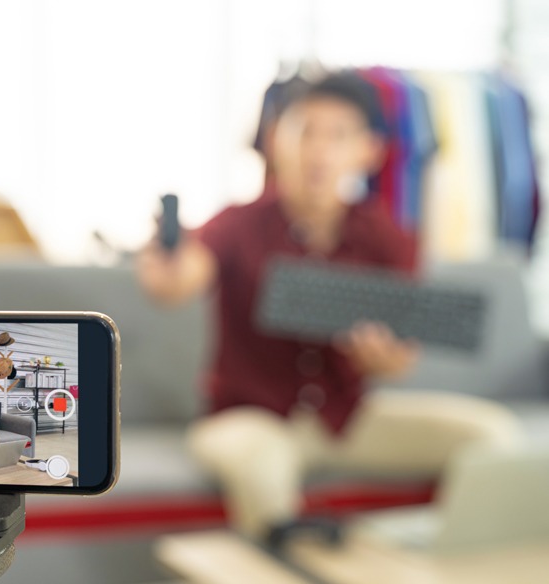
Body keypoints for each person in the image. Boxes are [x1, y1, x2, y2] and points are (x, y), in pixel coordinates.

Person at [137, 72, 524, 542]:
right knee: (261, 466)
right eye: (304, 132)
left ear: (368, 150)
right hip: (250, 419)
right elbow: (183, 278)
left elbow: (399, 358)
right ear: (277, 140)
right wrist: (168, 268)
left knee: (495, 434)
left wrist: (382, 358)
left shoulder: (386, 236)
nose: (318, 151)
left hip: (346, 418)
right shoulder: (237, 224)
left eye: (338, 135)